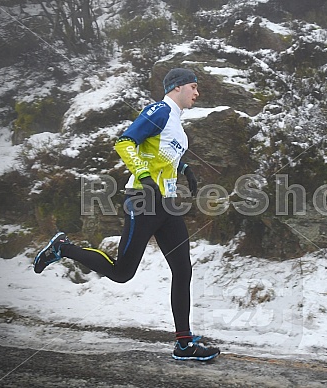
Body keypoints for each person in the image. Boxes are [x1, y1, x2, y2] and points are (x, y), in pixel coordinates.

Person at [33, 68, 220, 361]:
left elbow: (158, 153)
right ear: (177, 87)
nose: (197, 93)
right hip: (143, 200)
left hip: (167, 204)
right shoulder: (159, 109)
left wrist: (184, 168)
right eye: (193, 87)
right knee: (122, 273)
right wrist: (143, 175)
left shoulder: (176, 122)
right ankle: (62, 248)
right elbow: (125, 142)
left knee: (183, 270)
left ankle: (184, 344)